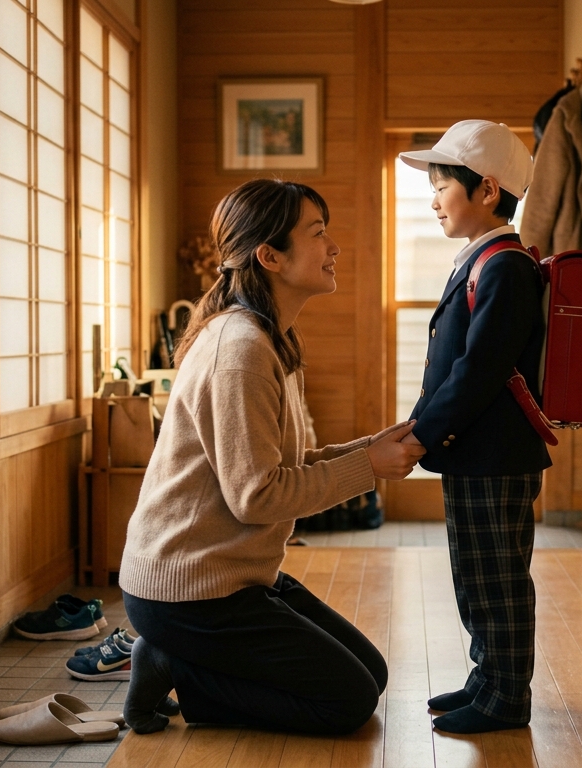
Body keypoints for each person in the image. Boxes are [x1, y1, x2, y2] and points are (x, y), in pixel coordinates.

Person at [119, 179, 427, 735]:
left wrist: (370, 448)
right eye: (318, 234)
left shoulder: (270, 338)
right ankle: (175, 665)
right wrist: (369, 467)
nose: (334, 247)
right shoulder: (240, 350)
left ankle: (185, 660)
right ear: (269, 256)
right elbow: (257, 496)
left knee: (372, 674)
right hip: (187, 592)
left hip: (230, 578)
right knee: (347, 702)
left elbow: (287, 462)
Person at [397, 120, 553, 734]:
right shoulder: (482, 259)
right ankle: (488, 678)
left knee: (498, 577)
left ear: (486, 190)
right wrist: (421, 425)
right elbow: (456, 368)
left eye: (441, 187)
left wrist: (421, 433)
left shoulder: (505, 265)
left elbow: (479, 371)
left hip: (495, 453)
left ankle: (507, 697)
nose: (432, 200)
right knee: (476, 573)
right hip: (475, 451)